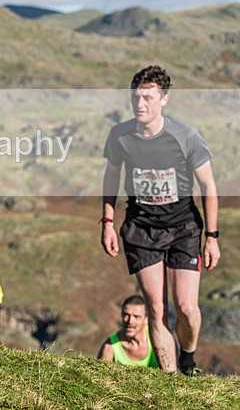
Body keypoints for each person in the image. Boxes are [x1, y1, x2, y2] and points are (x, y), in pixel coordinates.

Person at [100, 65, 220, 375]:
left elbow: (208, 185)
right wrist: (107, 222)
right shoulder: (120, 136)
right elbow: (111, 178)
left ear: (164, 99)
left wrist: (212, 237)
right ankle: (170, 379)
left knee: (186, 307)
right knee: (156, 310)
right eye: (136, 98)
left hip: (183, 228)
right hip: (141, 230)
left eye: (148, 98)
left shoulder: (185, 136)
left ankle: (188, 359)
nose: (140, 104)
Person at [97, 295, 159, 368]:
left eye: (136, 317)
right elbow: (98, 376)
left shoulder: (157, 338)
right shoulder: (110, 347)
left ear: (146, 319)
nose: (130, 321)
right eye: (126, 315)